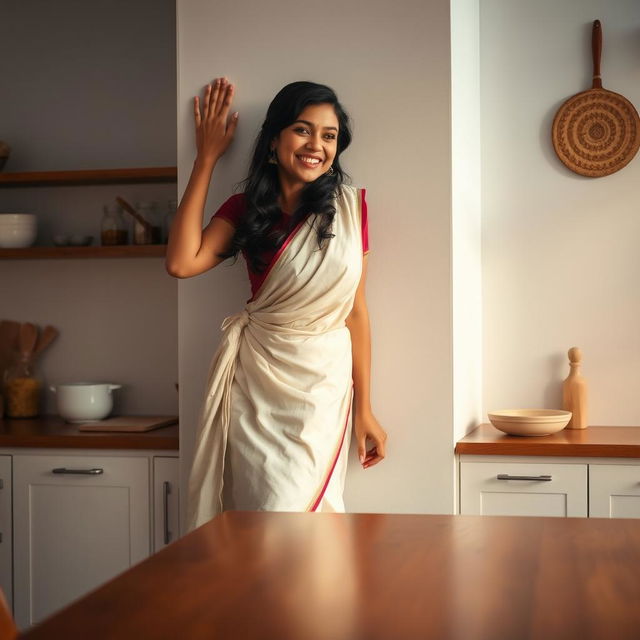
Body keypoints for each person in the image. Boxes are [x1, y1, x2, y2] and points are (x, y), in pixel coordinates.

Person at [166, 77, 387, 531]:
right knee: (264, 518)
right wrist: (205, 160)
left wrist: (365, 407)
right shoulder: (246, 208)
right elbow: (181, 262)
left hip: (322, 387)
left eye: (329, 136)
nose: (316, 145)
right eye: (303, 130)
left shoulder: (348, 210)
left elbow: (356, 312)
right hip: (258, 388)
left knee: (309, 525)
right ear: (273, 141)